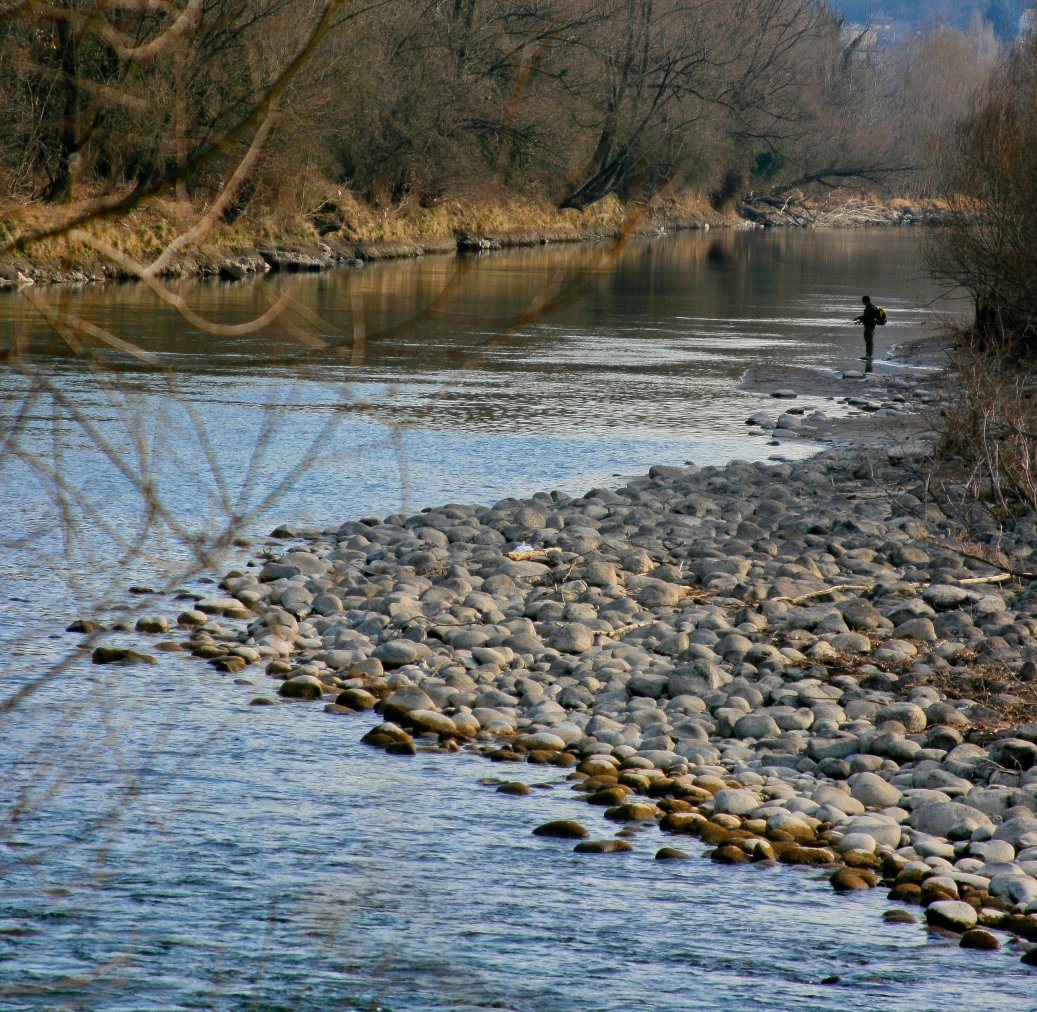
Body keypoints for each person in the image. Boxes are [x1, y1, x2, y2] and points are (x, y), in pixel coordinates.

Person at [853, 295, 881, 371]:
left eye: (862, 301)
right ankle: (868, 355)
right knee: (869, 341)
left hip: (869, 326)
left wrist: (860, 319)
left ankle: (869, 356)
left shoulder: (869, 308)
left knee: (868, 341)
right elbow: (866, 317)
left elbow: (867, 317)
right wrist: (859, 319)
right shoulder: (871, 306)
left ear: (864, 301)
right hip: (870, 325)